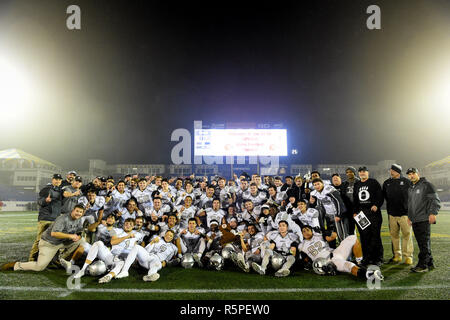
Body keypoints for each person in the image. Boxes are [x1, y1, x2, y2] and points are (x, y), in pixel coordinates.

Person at [1, 204, 96, 272]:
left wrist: (77, 236)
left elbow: (78, 232)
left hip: (61, 242)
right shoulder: (63, 218)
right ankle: (15, 265)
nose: (78, 213)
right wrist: (70, 236)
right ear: (72, 211)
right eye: (77, 211)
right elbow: (54, 233)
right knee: (39, 267)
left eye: (80, 212)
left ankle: (62, 259)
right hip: (49, 243)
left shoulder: (78, 220)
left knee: (81, 241)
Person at [298, 225, 384, 281]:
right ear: (302, 233)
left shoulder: (319, 236)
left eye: (307, 230)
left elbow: (334, 236)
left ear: (311, 231)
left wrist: (326, 232)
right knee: (349, 266)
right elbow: (301, 257)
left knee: (352, 238)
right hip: (330, 262)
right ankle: (369, 275)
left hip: (336, 253)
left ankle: (360, 262)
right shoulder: (301, 245)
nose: (306, 232)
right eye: (304, 231)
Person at [406, 168, 441, 272]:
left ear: (418, 174)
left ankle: (422, 265)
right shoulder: (411, 188)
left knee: (424, 243)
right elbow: (411, 205)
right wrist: (409, 217)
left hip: (424, 218)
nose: (411, 176)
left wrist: (433, 213)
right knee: (422, 243)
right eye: (409, 174)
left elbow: (434, 200)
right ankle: (429, 262)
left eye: (413, 174)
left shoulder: (427, 185)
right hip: (415, 219)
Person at [382, 164, 413, 265]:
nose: (391, 171)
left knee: (407, 235)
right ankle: (397, 255)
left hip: (405, 214)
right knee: (394, 235)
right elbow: (385, 197)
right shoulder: (387, 183)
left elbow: (411, 197)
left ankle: (408, 256)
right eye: (391, 170)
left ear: (398, 171)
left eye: (393, 170)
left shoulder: (407, 182)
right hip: (392, 214)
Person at [353, 166, 384, 266]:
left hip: (373, 213)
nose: (362, 173)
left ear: (368, 173)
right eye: (360, 172)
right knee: (364, 236)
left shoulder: (373, 182)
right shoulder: (357, 184)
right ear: (358, 174)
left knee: (375, 235)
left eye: (364, 171)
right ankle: (367, 258)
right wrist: (355, 211)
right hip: (362, 213)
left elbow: (380, 195)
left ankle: (378, 258)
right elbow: (355, 199)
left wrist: (376, 205)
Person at [29, 173, 63, 261]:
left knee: (54, 241)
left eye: (59, 179)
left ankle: (50, 260)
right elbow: (39, 201)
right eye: (56, 179)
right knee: (40, 239)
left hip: (55, 219)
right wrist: (45, 200)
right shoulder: (46, 189)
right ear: (52, 179)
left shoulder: (60, 191)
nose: (57, 181)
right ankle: (32, 258)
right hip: (45, 218)